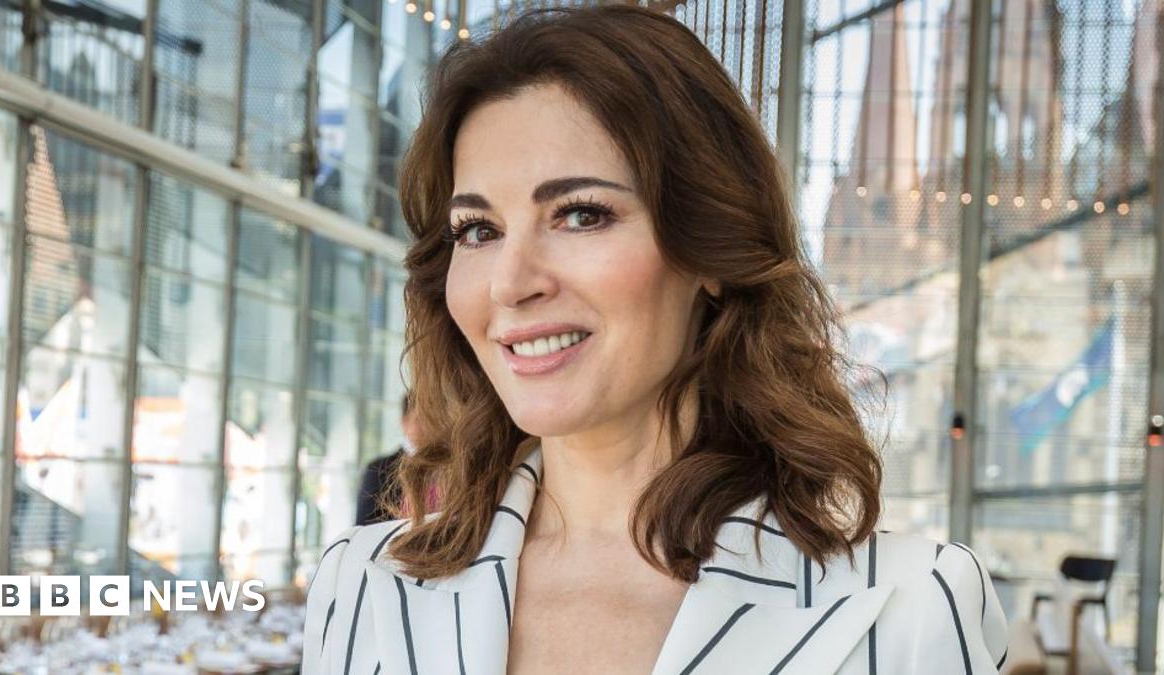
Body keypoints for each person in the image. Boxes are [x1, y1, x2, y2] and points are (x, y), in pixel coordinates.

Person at [303, 6, 1008, 674]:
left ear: (709, 251)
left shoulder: (913, 608)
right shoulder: (360, 586)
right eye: (478, 230)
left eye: (581, 215)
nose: (510, 284)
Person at [354, 395, 419, 526]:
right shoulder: (378, 469)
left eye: (434, 420)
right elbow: (365, 527)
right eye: (420, 420)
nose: (431, 427)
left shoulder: (449, 469)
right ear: (404, 423)